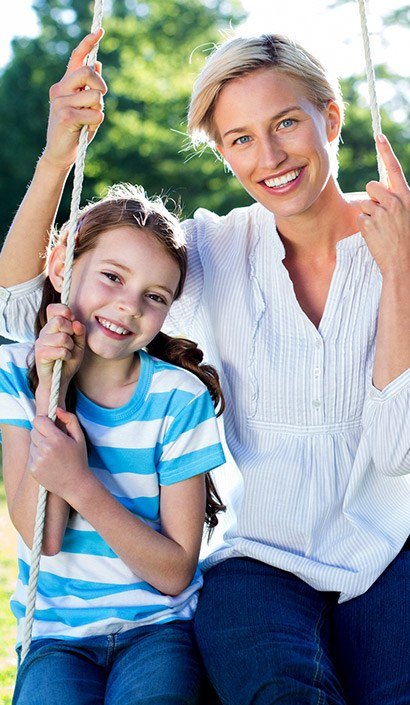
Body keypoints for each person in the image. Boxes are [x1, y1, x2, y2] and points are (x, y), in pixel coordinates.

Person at [0, 29, 409, 705]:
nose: (270, 156)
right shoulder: (218, 252)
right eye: (240, 139)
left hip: (394, 550)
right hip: (261, 561)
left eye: (285, 123)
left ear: (329, 118)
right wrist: (55, 161)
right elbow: (20, 313)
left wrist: (400, 271)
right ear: (223, 154)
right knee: (281, 691)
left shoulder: (400, 242)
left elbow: (397, 448)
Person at [0, 180, 227, 705]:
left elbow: (174, 573)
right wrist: (48, 392)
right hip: (56, 637)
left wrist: (79, 482)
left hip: (158, 630)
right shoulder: (17, 371)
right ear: (62, 268)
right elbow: (43, 539)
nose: (128, 307)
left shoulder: (177, 398)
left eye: (154, 296)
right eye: (111, 277)